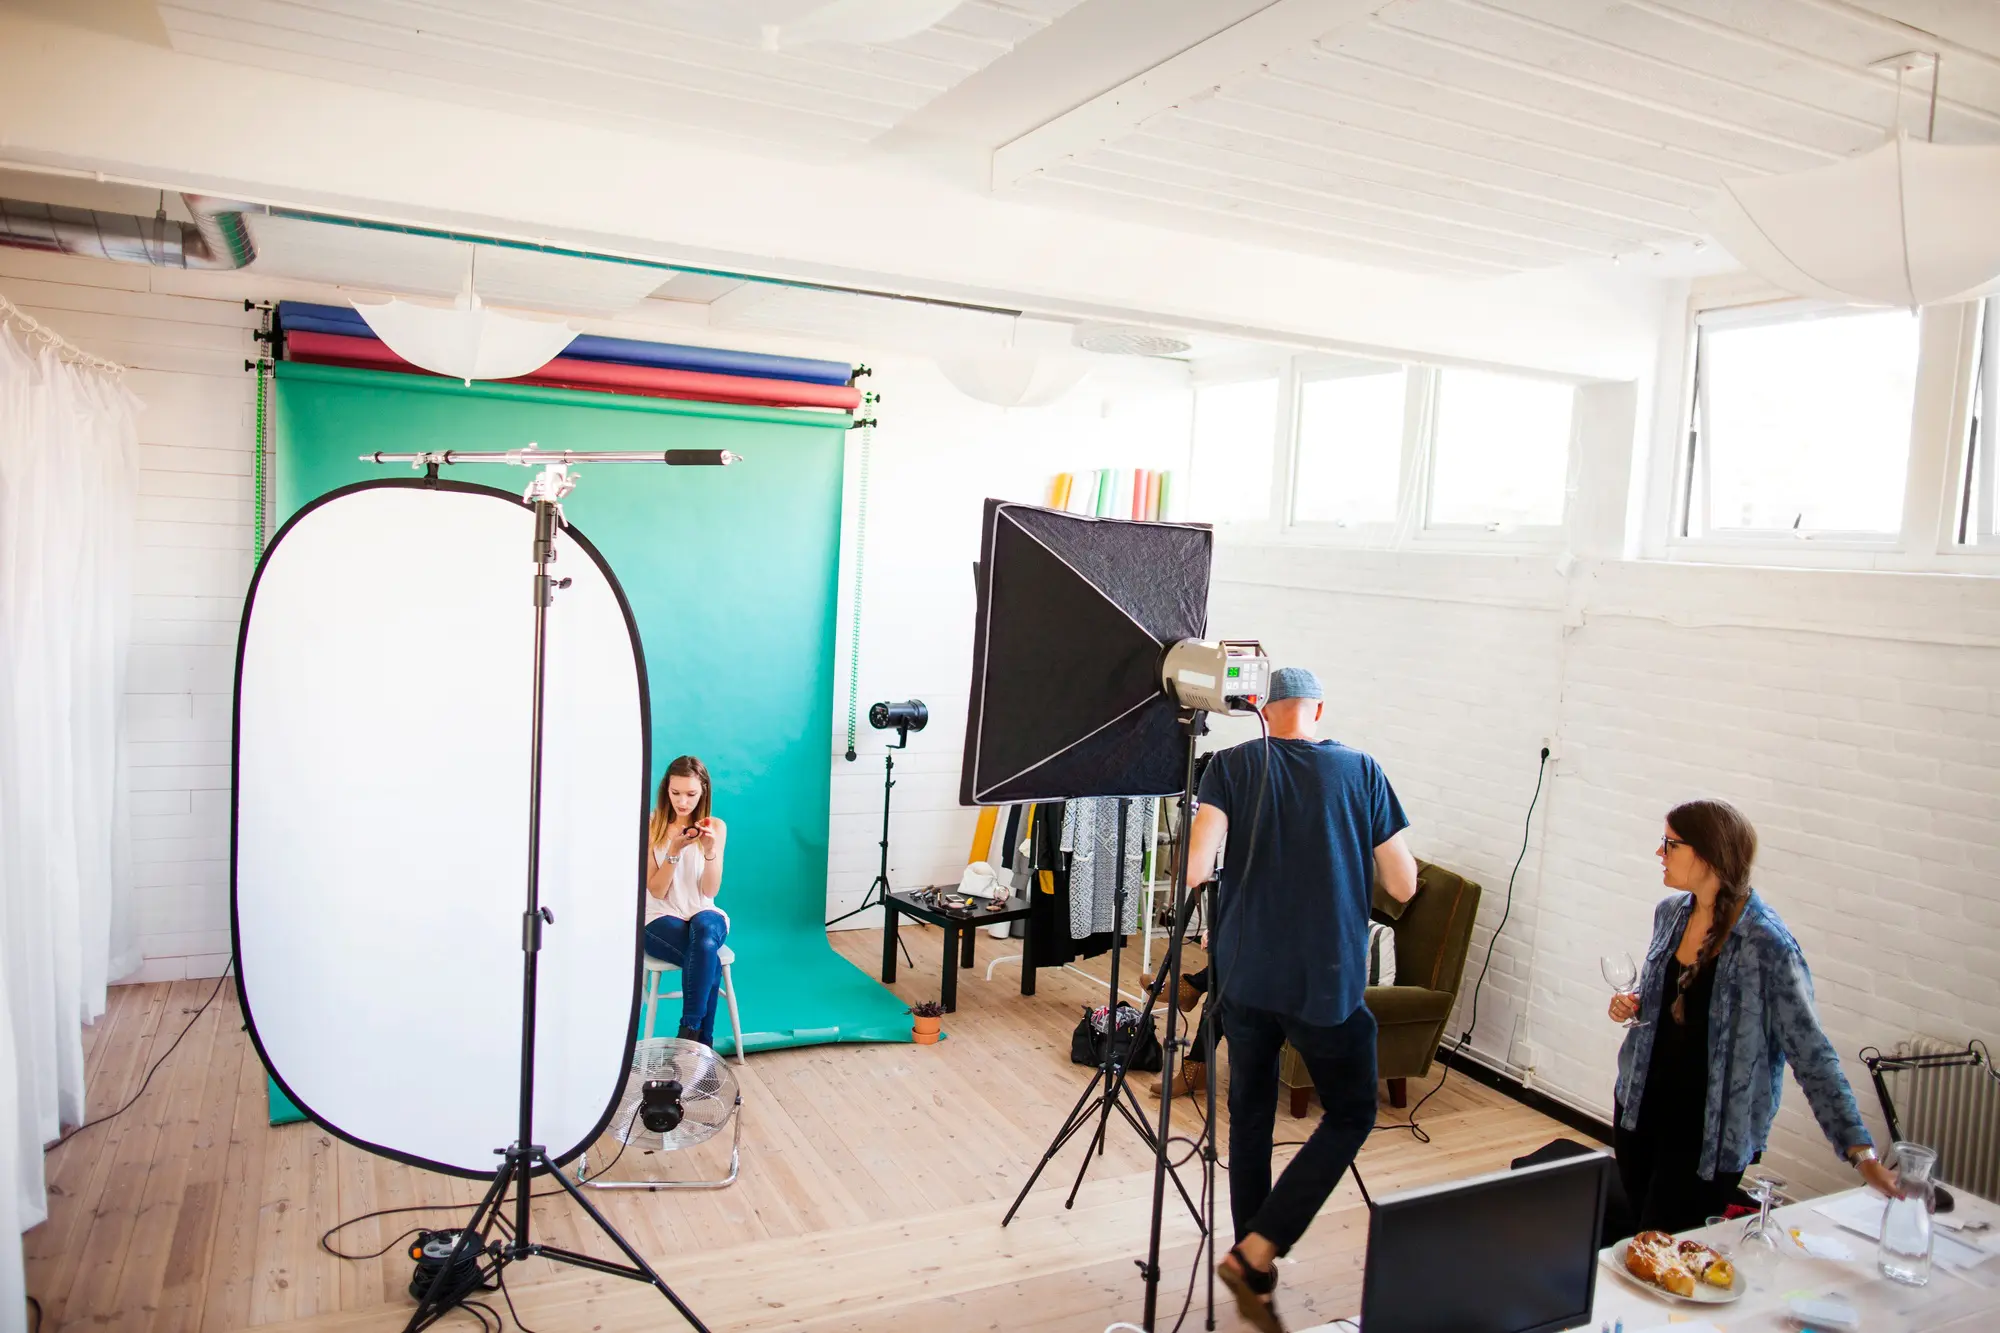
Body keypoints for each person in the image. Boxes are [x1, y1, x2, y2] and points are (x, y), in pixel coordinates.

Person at [1185, 667, 1418, 1333]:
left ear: (1260, 707)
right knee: (1350, 1112)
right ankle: (1258, 1248)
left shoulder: (1229, 765)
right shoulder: (1361, 770)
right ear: (1318, 708)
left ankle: (1251, 1264)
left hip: (1245, 977)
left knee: (1250, 1115)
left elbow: (1198, 870)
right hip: (1326, 979)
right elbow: (1403, 884)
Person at [1609, 799, 1899, 1236]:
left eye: (1669, 844)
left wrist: (1863, 1156)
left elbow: (1813, 1055)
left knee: (1666, 1250)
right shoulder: (1669, 914)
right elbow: (1669, 1003)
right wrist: (1632, 1002)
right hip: (1639, 1112)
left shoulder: (1768, 946)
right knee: (1636, 1245)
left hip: (1706, 1141)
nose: (1659, 854)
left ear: (1706, 855)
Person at [645, 755, 729, 1046]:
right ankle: (701, 1045)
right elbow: (656, 890)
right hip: (659, 916)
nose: (682, 802)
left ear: (703, 790)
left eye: (691, 794)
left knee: (705, 936)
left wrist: (709, 851)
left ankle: (687, 1034)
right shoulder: (651, 825)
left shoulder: (716, 827)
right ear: (665, 789)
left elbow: (709, 890)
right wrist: (674, 850)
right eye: (675, 793)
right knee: (710, 961)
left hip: (702, 909)